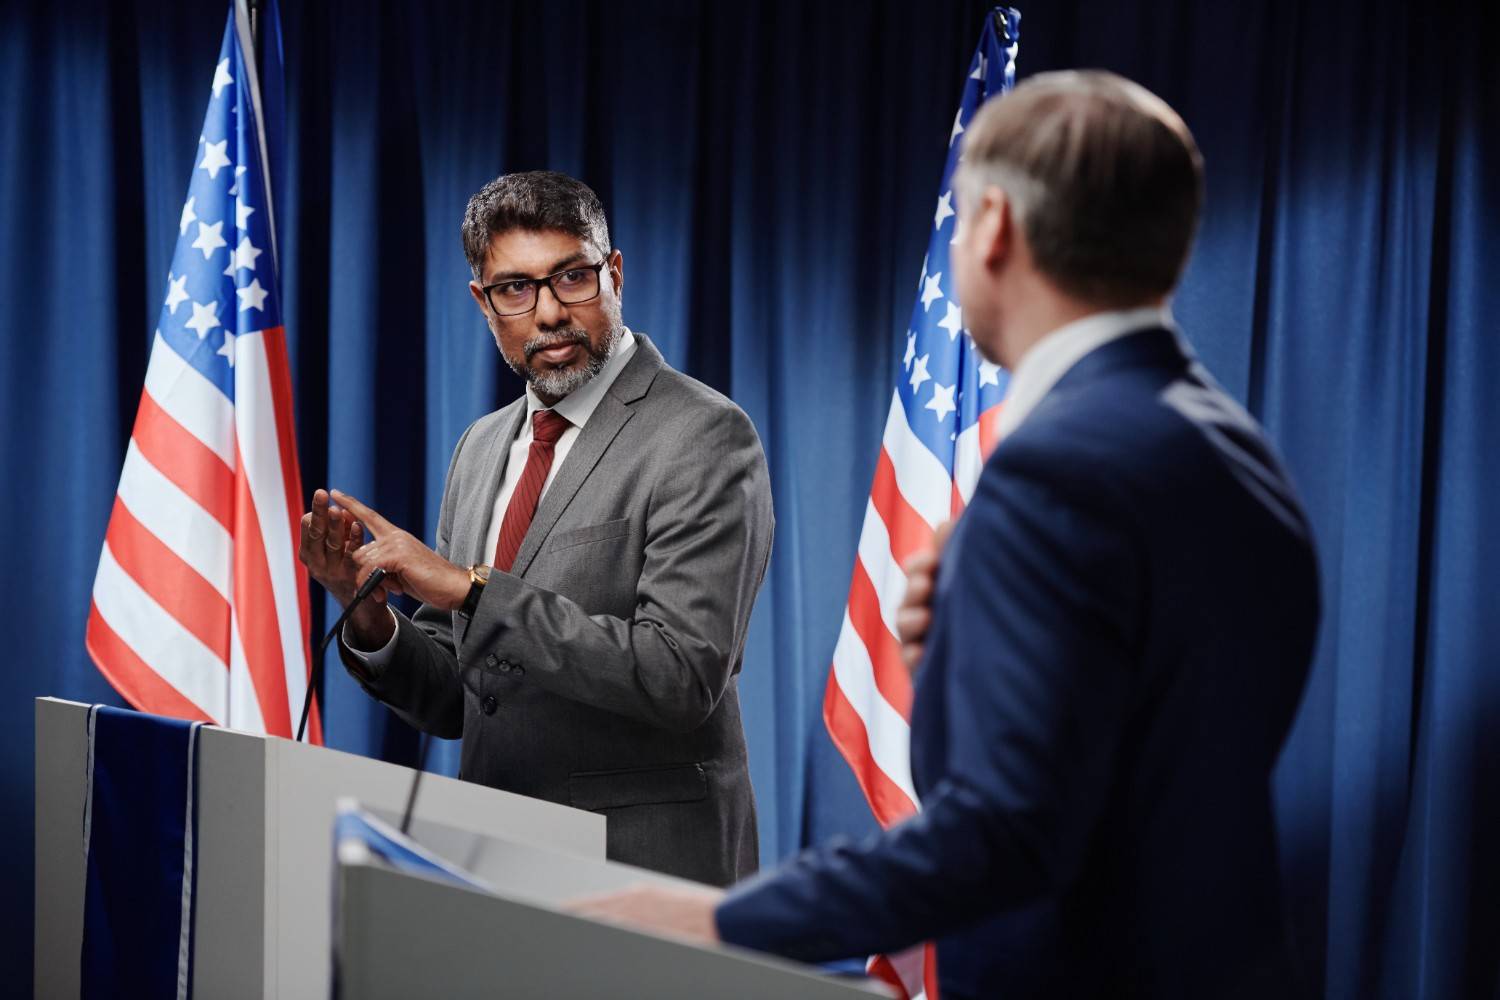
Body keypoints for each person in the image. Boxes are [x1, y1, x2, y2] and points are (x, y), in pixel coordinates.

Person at [569, 71, 1322, 998]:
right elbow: (1144, 750)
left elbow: (1008, 835)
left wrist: (720, 919)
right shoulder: (1239, 457)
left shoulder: (1059, 472)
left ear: (996, 223)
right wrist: (961, 668)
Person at [298, 170, 774, 887]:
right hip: (498, 862)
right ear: (483, 304)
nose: (548, 312)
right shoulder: (482, 448)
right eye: (514, 289)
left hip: (648, 871)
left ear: (614, 274)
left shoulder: (703, 435)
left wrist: (472, 589)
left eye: (572, 279)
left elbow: (680, 676)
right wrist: (365, 609)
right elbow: (462, 697)